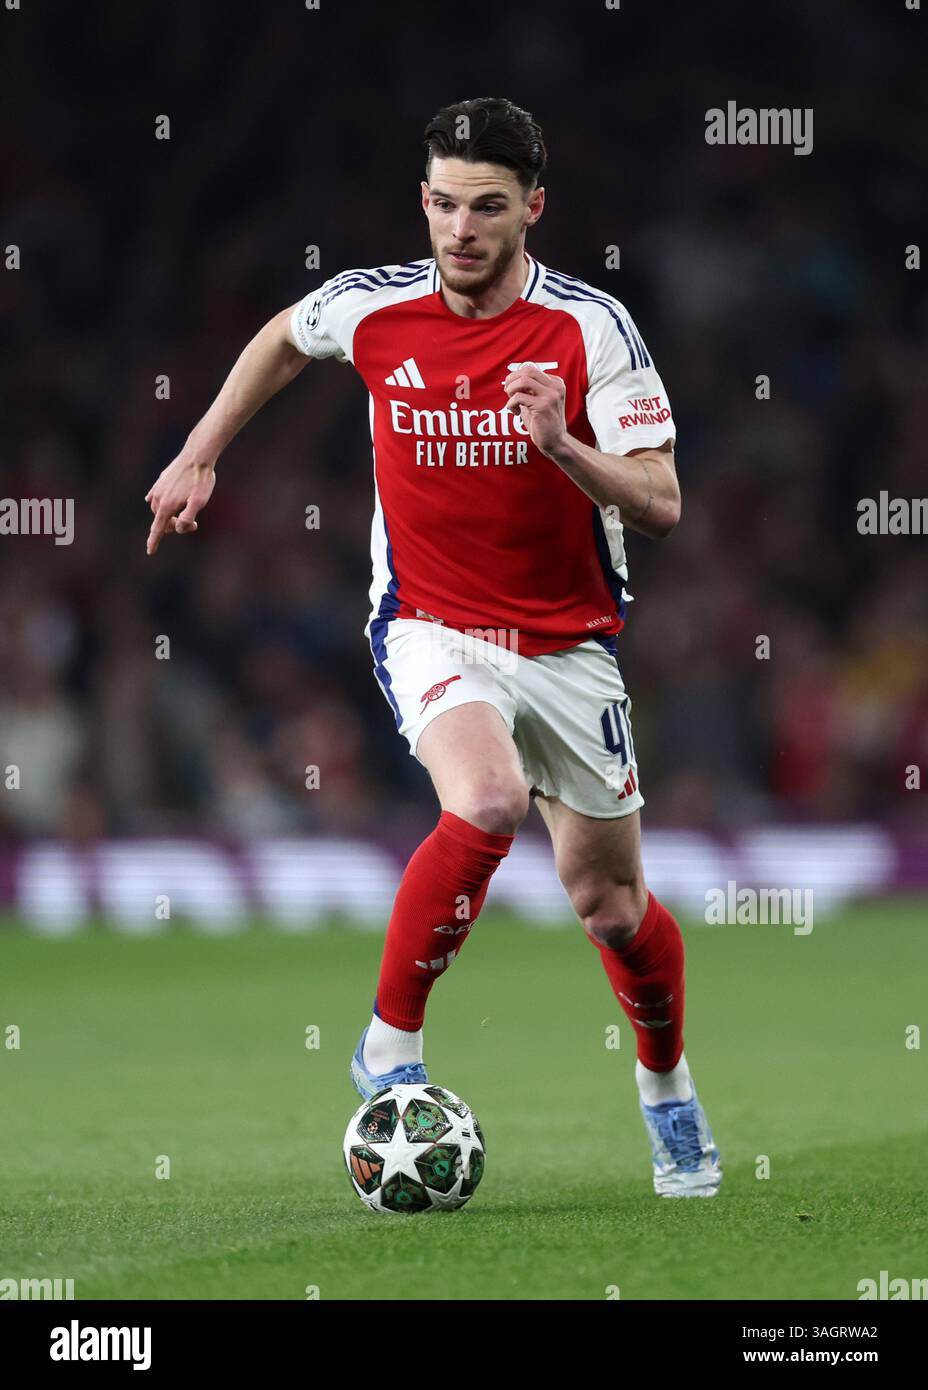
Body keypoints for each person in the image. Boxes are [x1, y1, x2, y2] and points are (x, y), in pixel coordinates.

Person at [145, 96, 721, 1197]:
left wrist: (561, 444)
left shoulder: (590, 330)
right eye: (445, 204)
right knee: (488, 798)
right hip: (430, 621)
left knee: (612, 907)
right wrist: (200, 452)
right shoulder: (373, 306)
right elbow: (280, 338)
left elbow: (661, 503)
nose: (460, 229)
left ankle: (665, 1088)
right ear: (423, 201)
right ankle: (389, 1047)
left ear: (532, 210)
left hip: (570, 647)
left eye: (488, 208)